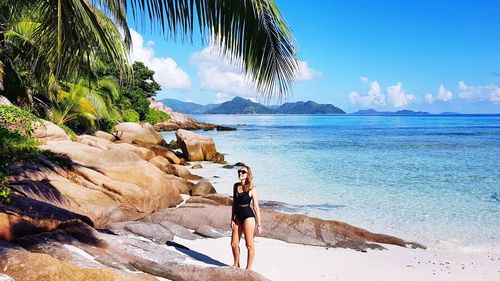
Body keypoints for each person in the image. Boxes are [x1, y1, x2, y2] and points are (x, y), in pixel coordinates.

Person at [230, 165, 262, 270]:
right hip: (238, 217)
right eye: (239, 171)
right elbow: (234, 204)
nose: (240, 173)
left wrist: (259, 224)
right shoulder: (235, 186)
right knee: (234, 244)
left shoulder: (252, 189)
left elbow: (256, 207)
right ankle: (236, 265)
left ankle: (248, 270)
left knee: (249, 245)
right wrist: (232, 219)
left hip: (248, 217)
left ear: (248, 174)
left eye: (243, 172)